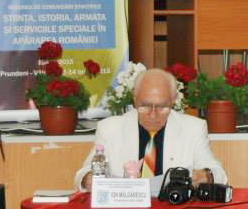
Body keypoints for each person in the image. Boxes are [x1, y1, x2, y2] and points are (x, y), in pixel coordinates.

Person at [74, 68, 227, 190]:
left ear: (173, 101)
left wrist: (205, 176)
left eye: (161, 106)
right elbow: (83, 173)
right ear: (135, 99)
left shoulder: (193, 128)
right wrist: (88, 179)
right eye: (145, 105)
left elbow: (219, 174)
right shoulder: (110, 128)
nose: (153, 114)